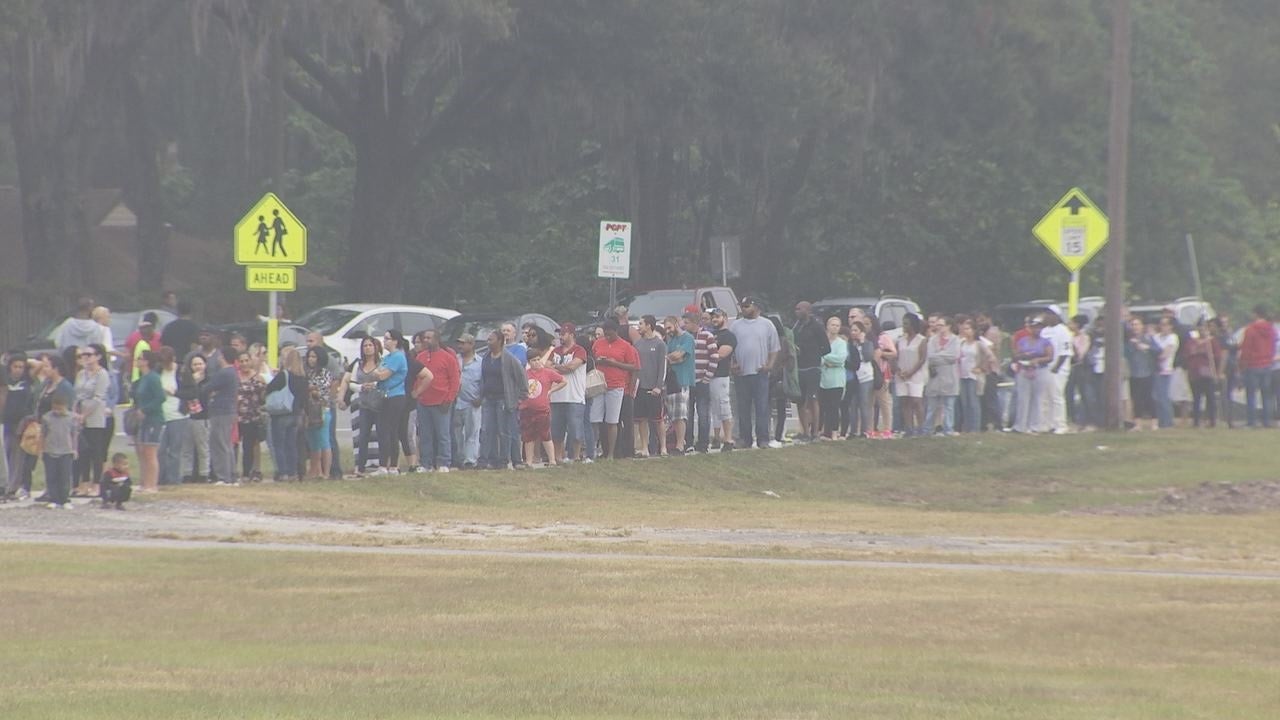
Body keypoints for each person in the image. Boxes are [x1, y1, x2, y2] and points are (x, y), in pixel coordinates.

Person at [731, 297, 781, 450]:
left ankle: (763, 439)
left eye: (747, 306)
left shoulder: (767, 324)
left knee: (762, 407)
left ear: (756, 307)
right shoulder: (735, 325)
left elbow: (774, 348)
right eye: (742, 306)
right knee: (743, 408)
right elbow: (728, 346)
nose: (743, 309)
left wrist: (770, 365)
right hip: (741, 373)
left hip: (760, 372)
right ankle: (745, 439)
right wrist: (732, 365)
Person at [590, 320, 640, 460]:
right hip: (599, 384)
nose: (607, 337)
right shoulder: (598, 343)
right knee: (595, 418)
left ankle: (612, 453)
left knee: (612, 420)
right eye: (605, 334)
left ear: (616, 331)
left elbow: (634, 367)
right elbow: (592, 358)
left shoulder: (626, 346)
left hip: (616, 385)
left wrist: (614, 363)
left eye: (610, 334)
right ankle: (595, 450)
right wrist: (599, 361)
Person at [479, 330, 529, 470]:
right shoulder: (486, 357)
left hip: (503, 399)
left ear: (500, 341)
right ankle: (490, 459)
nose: (488, 342)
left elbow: (521, 377)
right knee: (488, 430)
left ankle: (504, 460)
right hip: (488, 399)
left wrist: (521, 397)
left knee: (504, 431)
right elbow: (483, 377)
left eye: (491, 339)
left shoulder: (509, 359)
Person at [413, 329, 461, 473]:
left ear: (437, 339)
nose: (426, 340)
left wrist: (449, 399)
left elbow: (455, 380)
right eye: (424, 338)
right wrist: (416, 393)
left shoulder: (448, 358)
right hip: (423, 402)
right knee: (425, 435)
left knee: (443, 435)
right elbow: (416, 378)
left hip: (442, 402)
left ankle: (444, 462)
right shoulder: (420, 357)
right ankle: (426, 463)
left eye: (429, 338)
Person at [367, 330, 410, 475]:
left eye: (387, 339)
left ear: (395, 341)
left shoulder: (398, 357)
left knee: (390, 430)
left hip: (395, 396)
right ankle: (385, 465)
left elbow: (382, 375)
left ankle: (390, 466)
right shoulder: (387, 358)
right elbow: (376, 373)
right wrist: (377, 374)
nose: (384, 341)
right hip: (384, 396)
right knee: (383, 431)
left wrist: (377, 373)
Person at [264, 346, 308, 482]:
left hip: (281, 413)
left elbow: (269, 388)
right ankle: (292, 472)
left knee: (279, 444)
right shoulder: (303, 377)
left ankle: (282, 472)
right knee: (291, 444)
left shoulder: (284, 375)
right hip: (295, 414)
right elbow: (304, 398)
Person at [72, 343, 110, 496]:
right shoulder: (81, 374)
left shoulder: (102, 374)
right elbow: (76, 394)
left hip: (94, 416)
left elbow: (98, 397)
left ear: (98, 356)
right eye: (83, 355)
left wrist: (85, 415)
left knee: (96, 451)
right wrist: (75, 413)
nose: (85, 358)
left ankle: (97, 484)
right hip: (79, 415)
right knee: (83, 451)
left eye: (89, 355)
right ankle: (84, 483)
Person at [791, 301, 830, 442]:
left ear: (807, 310)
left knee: (813, 399)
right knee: (800, 400)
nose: (796, 311)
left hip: (812, 367)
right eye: (795, 309)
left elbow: (826, 348)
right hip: (799, 367)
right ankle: (805, 432)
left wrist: (813, 353)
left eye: (799, 309)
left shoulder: (816, 327)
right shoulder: (796, 326)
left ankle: (815, 432)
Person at [344, 336, 383, 476]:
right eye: (365, 346)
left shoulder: (382, 363)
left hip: (380, 404)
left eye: (370, 345)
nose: (367, 348)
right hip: (364, 404)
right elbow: (352, 383)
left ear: (376, 347)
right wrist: (361, 387)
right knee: (363, 436)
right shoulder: (358, 364)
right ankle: (360, 467)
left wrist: (374, 385)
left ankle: (384, 464)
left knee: (382, 435)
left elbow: (387, 378)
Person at [550, 323, 588, 463]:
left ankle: (576, 456)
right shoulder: (555, 351)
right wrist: (560, 368)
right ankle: (558, 457)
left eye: (563, 334)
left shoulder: (579, 350)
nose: (560, 337)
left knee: (575, 429)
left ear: (571, 334)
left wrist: (555, 367)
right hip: (556, 396)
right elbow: (546, 366)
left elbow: (572, 367)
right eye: (559, 334)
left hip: (574, 396)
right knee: (556, 430)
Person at [632, 315, 668, 457]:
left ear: (648, 325)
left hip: (654, 388)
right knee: (642, 419)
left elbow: (662, 366)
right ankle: (644, 448)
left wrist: (659, 386)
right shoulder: (637, 344)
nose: (638, 327)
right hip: (640, 387)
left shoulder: (659, 344)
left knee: (658, 420)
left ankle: (663, 447)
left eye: (641, 324)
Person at [520, 353, 565, 466]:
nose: (537, 362)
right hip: (527, 409)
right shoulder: (525, 374)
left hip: (542, 409)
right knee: (528, 436)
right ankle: (529, 461)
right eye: (534, 360)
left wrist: (551, 390)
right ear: (529, 362)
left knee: (545, 435)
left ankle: (552, 460)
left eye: (538, 359)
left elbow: (563, 381)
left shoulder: (548, 373)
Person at [1011, 318, 1053, 434]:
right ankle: (1020, 425)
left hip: (1040, 370)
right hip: (1024, 369)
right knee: (1023, 398)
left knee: (1037, 398)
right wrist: (1023, 355)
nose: (1037, 330)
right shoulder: (1023, 341)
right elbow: (1016, 354)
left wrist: (1038, 359)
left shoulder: (1045, 342)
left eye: (1039, 328)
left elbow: (1050, 356)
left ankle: (1035, 425)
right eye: (1034, 328)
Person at [156, 347, 190, 486]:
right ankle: (160, 478)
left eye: (167, 363)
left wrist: (175, 393)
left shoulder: (182, 371)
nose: (166, 366)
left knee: (175, 451)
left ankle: (173, 479)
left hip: (178, 415)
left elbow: (192, 392)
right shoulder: (158, 371)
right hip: (161, 415)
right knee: (160, 450)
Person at [176, 353, 212, 482]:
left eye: (200, 364)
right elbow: (183, 394)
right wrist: (191, 381)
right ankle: (187, 473)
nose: (198, 366)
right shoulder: (185, 380)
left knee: (203, 448)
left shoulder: (209, 380)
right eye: (195, 364)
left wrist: (196, 384)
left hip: (202, 417)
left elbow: (203, 396)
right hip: (187, 416)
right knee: (187, 448)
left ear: (205, 365)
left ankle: (204, 473)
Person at [1238, 305, 1276, 428]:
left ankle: (1252, 421)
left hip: (1253, 364)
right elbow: (1273, 347)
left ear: (1256, 314)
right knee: (1266, 395)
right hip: (1267, 364)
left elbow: (1246, 349)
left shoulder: (1250, 329)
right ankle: (1267, 421)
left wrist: (1242, 365)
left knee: (1251, 394)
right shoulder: (1272, 329)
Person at [206, 348, 240, 485]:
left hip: (221, 411)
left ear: (223, 357)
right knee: (227, 443)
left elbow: (208, 387)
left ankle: (224, 476)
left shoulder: (224, 373)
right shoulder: (233, 372)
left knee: (219, 443)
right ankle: (231, 475)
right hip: (229, 410)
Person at [132, 350, 165, 493]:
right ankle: (144, 483)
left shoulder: (153, 378)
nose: (137, 361)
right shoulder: (143, 378)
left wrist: (145, 409)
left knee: (150, 452)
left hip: (154, 419)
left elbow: (160, 397)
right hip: (143, 420)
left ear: (146, 361)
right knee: (143, 452)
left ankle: (152, 484)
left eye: (140, 358)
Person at [235, 348, 268, 482]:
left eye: (246, 360)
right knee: (234, 445)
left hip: (252, 416)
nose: (244, 364)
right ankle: (233, 471)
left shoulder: (258, 377)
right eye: (241, 361)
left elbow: (263, 398)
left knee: (249, 446)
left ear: (250, 361)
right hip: (236, 416)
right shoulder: (235, 377)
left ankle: (247, 473)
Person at [663, 316, 695, 455]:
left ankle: (680, 445)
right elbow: (672, 356)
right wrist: (671, 358)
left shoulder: (688, 338)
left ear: (676, 324)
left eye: (669, 327)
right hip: (671, 380)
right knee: (674, 414)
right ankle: (679, 442)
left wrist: (669, 358)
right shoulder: (671, 340)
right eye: (665, 329)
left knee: (680, 414)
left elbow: (679, 355)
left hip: (683, 380)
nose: (668, 331)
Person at [41, 393, 78, 509]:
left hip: (66, 451)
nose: (57, 411)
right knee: (51, 476)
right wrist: (42, 449)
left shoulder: (71, 418)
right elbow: (43, 434)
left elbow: (74, 434)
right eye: (55, 408)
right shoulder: (46, 417)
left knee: (65, 476)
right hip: (50, 450)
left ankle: (65, 499)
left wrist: (75, 449)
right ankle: (53, 499)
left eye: (60, 408)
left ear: (65, 406)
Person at [685, 312, 716, 453]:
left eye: (687, 323)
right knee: (688, 413)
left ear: (694, 323)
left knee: (703, 412)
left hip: (702, 380)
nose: (684, 325)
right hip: (688, 381)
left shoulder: (707, 336)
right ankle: (688, 441)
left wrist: (707, 376)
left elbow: (714, 357)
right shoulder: (685, 337)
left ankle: (703, 442)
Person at [924, 315, 960, 436]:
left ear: (949, 326)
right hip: (935, 378)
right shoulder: (932, 340)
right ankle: (928, 429)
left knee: (949, 406)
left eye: (941, 325)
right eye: (937, 325)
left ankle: (948, 429)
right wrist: (943, 356)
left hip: (950, 377)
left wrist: (938, 355)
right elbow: (930, 357)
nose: (938, 327)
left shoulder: (955, 340)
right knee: (932, 407)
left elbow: (954, 357)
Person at [957, 320, 994, 434]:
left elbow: (991, 357)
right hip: (962, 375)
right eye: (964, 329)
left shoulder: (979, 344)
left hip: (973, 376)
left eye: (968, 329)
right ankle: (967, 426)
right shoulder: (962, 343)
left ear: (973, 330)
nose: (965, 331)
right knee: (965, 402)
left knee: (973, 402)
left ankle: (975, 427)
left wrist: (982, 368)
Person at [304, 346, 335, 479]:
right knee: (313, 442)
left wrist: (311, 389)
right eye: (309, 357)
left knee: (324, 441)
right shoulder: (306, 373)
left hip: (322, 410)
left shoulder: (325, 373)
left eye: (314, 357)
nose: (311, 359)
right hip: (309, 410)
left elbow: (322, 389)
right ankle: (315, 471)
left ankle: (326, 472)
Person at [1039, 306, 1072, 434]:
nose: (1046, 316)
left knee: (1056, 397)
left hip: (1058, 369)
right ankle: (1046, 424)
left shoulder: (1063, 331)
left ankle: (1061, 424)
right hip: (1045, 368)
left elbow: (1065, 352)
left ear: (1056, 316)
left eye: (1049, 314)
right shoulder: (1044, 331)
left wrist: (1056, 367)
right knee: (1045, 397)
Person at [452, 334, 483, 469]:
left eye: (463, 343)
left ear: (471, 345)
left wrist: (480, 397)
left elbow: (484, 381)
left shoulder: (480, 362)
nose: (460, 346)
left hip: (472, 402)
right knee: (457, 432)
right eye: (459, 343)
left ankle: (470, 460)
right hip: (455, 401)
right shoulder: (454, 360)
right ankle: (459, 458)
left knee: (472, 432)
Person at [707, 308, 736, 451]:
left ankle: (728, 439)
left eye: (717, 316)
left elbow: (721, 355)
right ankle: (716, 437)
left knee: (723, 405)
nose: (714, 319)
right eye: (712, 317)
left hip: (721, 375)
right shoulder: (710, 334)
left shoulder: (729, 336)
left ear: (725, 317)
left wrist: (704, 356)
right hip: (708, 375)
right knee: (714, 408)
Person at [895, 313, 928, 437]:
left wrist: (911, 372)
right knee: (905, 401)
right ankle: (909, 429)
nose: (904, 326)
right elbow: (895, 357)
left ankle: (921, 429)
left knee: (916, 401)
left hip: (916, 375)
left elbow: (922, 359)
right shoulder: (900, 340)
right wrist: (899, 371)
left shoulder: (921, 340)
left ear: (913, 325)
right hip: (902, 375)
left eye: (906, 324)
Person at [1185, 319, 1220, 428]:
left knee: (1210, 398)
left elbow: (1217, 356)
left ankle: (1212, 420)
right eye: (1200, 328)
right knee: (1196, 398)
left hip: (1208, 373)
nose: (1202, 330)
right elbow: (1187, 354)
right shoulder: (1191, 341)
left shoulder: (1211, 342)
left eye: (1204, 328)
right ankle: (1196, 421)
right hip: (1195, 373)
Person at [817, 316, 847, 440]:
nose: (835, 327)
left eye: (837, 325)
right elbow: (817, 357)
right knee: (823, 407)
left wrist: (825, 357)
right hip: (823, 380)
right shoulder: (822, 342)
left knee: (834, 407)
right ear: (827, 326)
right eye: (832, 325)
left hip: (836, 380)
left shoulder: (841, 343)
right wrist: (827, 359)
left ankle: (834, 432)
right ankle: (823, 431)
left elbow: (840, 359)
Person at [845, 321, 876, 438]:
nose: (853, 333)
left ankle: (864, 431)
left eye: (856, 330)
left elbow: (868, 357)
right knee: (853, 404)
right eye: (852, 330)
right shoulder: (849, 345)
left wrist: (862, 343)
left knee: (864, 404)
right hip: (854, 377)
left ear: (862, 332)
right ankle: (853, 431)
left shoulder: (868, 344)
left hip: (865, 377)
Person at [1152, 316, 1180, 429]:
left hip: (1165, 370)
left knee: (1163, 397)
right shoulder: (1156, 337)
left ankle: (1167, 421)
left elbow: (1165, 354)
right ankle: (1160, 420)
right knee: (1156, 397)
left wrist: (1155, 354)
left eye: (1165, 324)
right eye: (1161, 324)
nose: (1162, 327)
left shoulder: (1172, 338)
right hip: (1154, 369)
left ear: (1170, 326)